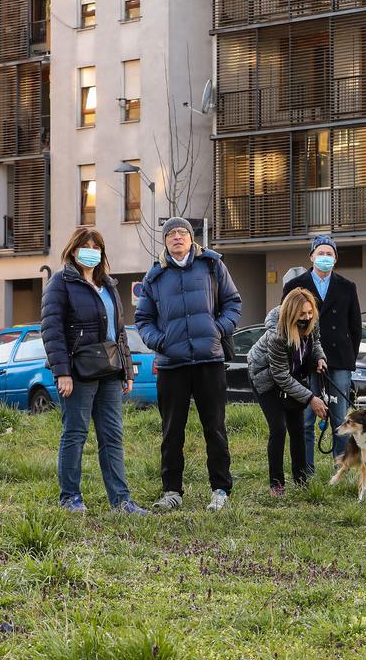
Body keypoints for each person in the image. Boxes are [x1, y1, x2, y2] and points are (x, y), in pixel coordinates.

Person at [136, 217, 242, 513]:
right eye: (171, 234)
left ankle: (220, 489)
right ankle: (172, 491)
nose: (177, 238)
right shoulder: (155, 276)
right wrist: (160, 341)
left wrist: (218, 330)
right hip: (172, 365)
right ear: (165, 241)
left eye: (182, 232)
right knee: (172, 431)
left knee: (215, 428)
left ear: (192, 238)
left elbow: (233, 303)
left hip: (209, 360)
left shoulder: (211, 265)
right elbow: (143, 319)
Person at [40, 227, 147, 515]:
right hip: (78, 373)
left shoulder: (108, 285)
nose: (91, 251)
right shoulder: (60, 284)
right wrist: (62, 372)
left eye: (96, 246)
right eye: (85, 246)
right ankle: (70, 498)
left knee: (112, 437)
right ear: (73, 251)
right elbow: (52, 331)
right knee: (75, 434)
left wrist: (127, 371)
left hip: (110, 372)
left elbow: (120, 332)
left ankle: (121, 501)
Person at [283, 234, 362, 464]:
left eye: (330, 254)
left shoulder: (347, 287)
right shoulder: (294, 287)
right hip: (305, 360)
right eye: (321, 253)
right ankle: (305, 470)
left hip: (339, 359)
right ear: (311, 256)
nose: (325, 258)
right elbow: (285, 324)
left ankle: (341, 468)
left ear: (335, 259)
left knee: (340, 419)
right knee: (306, 418)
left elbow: (355, 326)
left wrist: (350, 359)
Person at [248, 287, 330, 496]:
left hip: (291, 376)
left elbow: (316, 342)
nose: (307, 318)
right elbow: (280, 377)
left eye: (310, 313)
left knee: (298, 428)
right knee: (278, 428)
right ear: (291, 313)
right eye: (302, 314)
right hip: (265, 377)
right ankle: (276, 483)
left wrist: (319, 358)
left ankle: (301, 479)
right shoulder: (276, 336)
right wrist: (311, 398)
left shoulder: (312, 323)